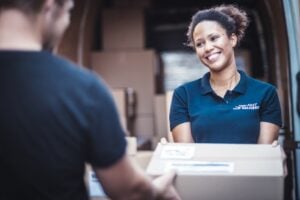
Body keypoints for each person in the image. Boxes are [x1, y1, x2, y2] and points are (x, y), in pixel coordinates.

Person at [0, 0, 181, 199]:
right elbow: (130, 191)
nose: (67, 23)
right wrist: (157, 189)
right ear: (49, 6)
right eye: (69, 12)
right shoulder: (82, 89)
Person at [169, 4, 282, 144]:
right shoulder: (184, 95)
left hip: (250, 167)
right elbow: (187, 155)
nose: (208, 48)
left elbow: (263, 155)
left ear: (232, 39)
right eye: (199, 44)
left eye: (214, 38)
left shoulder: (265, 93)